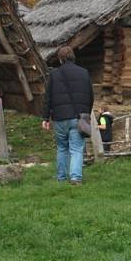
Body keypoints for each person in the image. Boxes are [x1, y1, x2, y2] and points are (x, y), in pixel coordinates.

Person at [41, 46, 94, 185]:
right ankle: (76, 177)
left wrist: (45, 118)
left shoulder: (54, 75)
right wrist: (86, 113)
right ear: (73, 57)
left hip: (59, 117)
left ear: (60, 59)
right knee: (76, 148)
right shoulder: (84, 73)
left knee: (62, 148)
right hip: (78, 117)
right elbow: (90, 96)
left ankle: (61, 178)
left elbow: (48, 98)